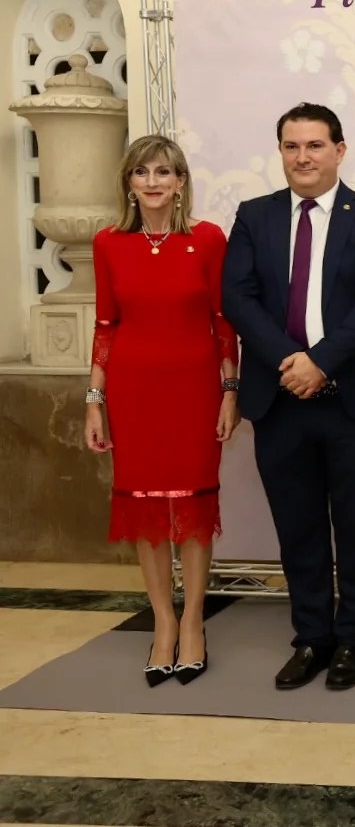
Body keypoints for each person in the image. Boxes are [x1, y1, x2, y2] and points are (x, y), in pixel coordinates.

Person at [222, 102, 355, 692]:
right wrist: (290, 362)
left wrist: (321, 362)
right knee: (297, 525)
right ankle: (311, 637)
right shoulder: (254, 216)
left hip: (354, 396)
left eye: (314, 146)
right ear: (280, 152)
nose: (303, 157)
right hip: (280, 395)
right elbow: (239, 298)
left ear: (340, 150)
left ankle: (353, 638)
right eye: (291, 146)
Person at [85, 135, 238, 687]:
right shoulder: (108, 243)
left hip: (195, 390)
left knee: (193, 513)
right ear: (128, 181)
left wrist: (229, 390)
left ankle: (195, 623)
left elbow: (224, 322)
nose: (153, 181)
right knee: (147, 512)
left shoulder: (207, 239)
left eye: (164, 172)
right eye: (142, 172)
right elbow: (106, 325)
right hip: (132, 391)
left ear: (180, 183)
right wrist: (94, 401)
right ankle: (164, 624)